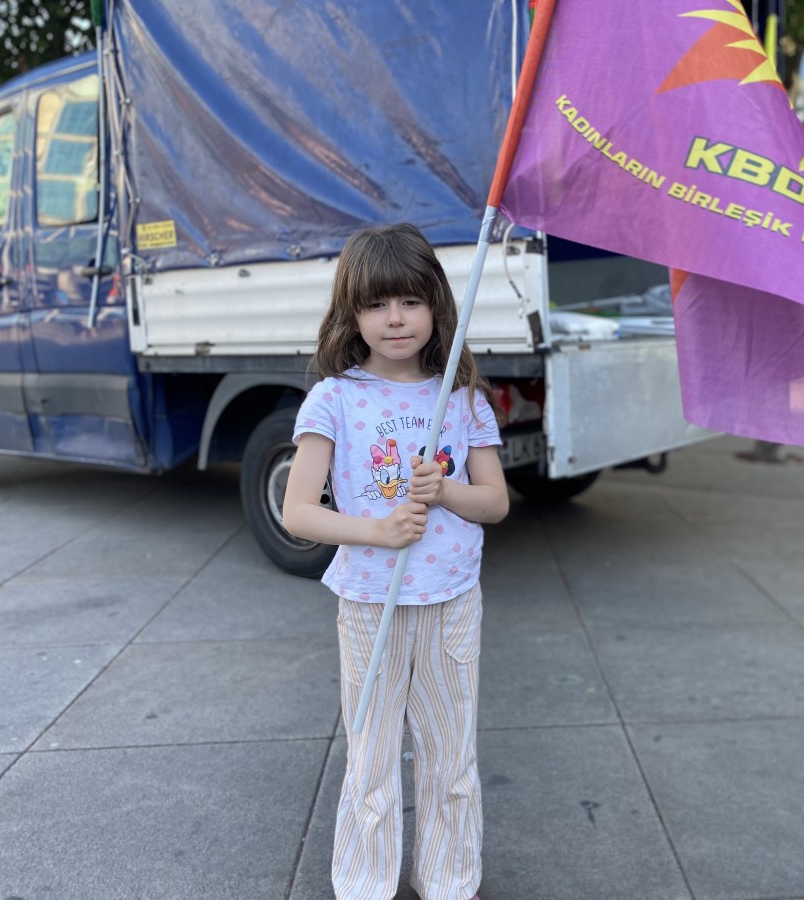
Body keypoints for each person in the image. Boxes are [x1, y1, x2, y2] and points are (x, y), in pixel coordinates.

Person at [282, 223, 509, 900]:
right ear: (352, 313)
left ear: (436, 305)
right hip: (368, 603)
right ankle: (364, 883)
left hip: (450, 602)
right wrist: (378, 531)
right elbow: (299, 512)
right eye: (377, 304)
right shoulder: (334, 398)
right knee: (372, 755)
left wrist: (447, 492)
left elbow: (495, 503)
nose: (396, 318)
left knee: (450, 757)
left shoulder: (462, 399)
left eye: (411, 301)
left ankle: (450, 880)